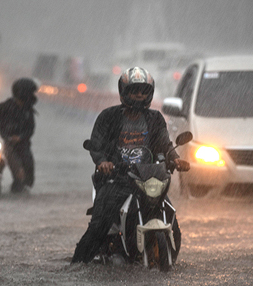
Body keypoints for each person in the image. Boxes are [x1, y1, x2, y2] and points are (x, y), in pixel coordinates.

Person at [71, 67, 189, 264]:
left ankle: (169, 261)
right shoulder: (108, 117)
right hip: (116, 179)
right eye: (135, 91)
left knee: (172, 220)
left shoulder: (155, 118)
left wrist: (175, 159)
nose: (139, 95)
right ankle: (77, 264)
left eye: (144, 91)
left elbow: (164, 144)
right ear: (124, 91)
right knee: (99, 226)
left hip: (148, 179)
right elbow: (97, 146)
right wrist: (103, 162)